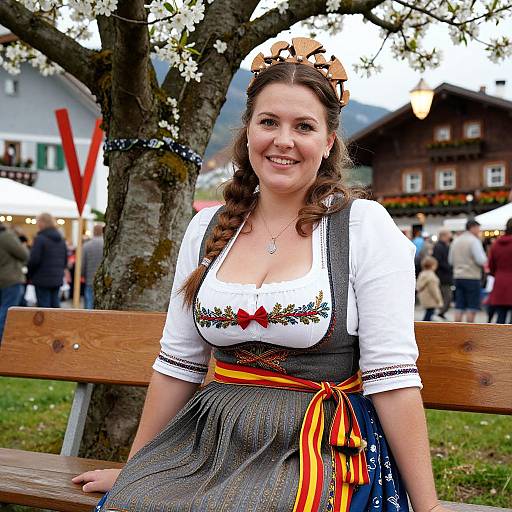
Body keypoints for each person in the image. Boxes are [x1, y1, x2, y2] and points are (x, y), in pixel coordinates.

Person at [73, 38, 451, 512]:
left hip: (317, 443)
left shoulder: (361, 227)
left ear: (329, 141)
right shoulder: (207, 229)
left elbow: (391, 377)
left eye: (304, 126)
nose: (283, 140)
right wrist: (135, 471)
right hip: (208, 439)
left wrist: (430, 506)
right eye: (268, 121)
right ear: (248, 129)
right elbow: (179, 365)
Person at [448, 220, 487, 323]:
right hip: (472, 276)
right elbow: (481, 260)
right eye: (478, 228)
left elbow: (450, 260)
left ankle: (456, 330)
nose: (479, 231)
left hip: (458, 276)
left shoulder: (456, 240)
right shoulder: (474, 241)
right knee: (472, 306)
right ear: (473, 227)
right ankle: (469, 331)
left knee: (459, 305)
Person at [27, 212, 68, 308]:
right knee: (55, 306)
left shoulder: (40, 239)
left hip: (41, 279)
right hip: (57, 278)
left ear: (42, 223)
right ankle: (56, 323)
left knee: (44, 308)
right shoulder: (61, 240)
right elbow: (65, 261)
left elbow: (34, 260)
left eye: (38, 222)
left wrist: (30, 275)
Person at [0, 222, 29, 342]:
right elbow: (24, 254)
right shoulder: (6, 236)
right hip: (10, 279)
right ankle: (4, 340)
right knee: (8, 312)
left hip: (4, 278)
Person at [486, 218, 512, 324]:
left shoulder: (496, 244)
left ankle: (499, 340)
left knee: (500, 317)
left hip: (500, 282)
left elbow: (491, 265)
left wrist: (498, 273)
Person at [81, 224, 104, 309]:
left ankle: (88, 321)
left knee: (89, 302)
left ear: (93, 231)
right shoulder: (105, 244)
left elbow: (83, 263)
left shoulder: (87, 245)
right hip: (103, 279)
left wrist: (82, 274)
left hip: (90, 278)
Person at [432, 230, 453, 319]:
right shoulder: (439, 247)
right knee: (447, 296)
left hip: (444, 275)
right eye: (449, 235)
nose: (450, 237)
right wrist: (450, 267)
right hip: (442, 276)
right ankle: (439, 313)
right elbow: (439, 261)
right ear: (443, 236)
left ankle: (440, 313)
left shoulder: (443, 246)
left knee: (446, 296)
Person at [416, 256, 444, 321]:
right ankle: (425, 327)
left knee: (428, 313)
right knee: (429, 314)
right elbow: (434, 290)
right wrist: (438, 300)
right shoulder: (432, 276)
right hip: (431, 299)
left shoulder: (422, 274)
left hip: (424, 298)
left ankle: (425, 325)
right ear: (433, 266)